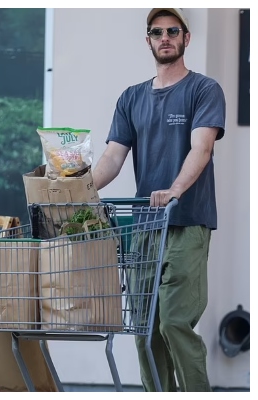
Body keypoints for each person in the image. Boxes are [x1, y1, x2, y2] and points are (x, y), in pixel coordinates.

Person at [92, 8, 225, 392]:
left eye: (172, 30)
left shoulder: (203, 89)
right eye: (156, 31)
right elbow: (112, 158)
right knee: (145, 331)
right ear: (148, 40)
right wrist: (73, 190)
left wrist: (175, 190)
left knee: (174, 323)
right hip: (146, 229)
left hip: (187, 222)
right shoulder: (131, 98)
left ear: (186, 38)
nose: (164, 37)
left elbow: (200, 149)